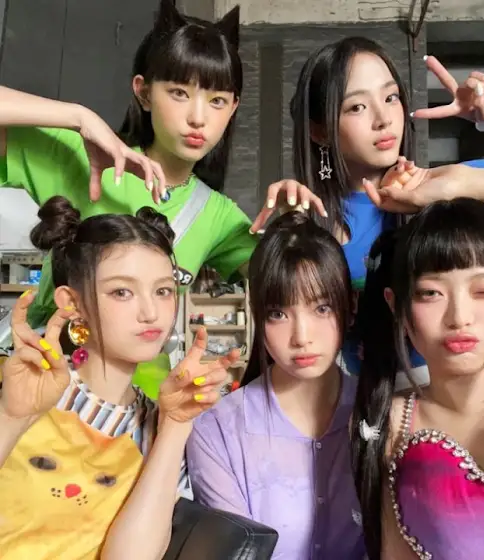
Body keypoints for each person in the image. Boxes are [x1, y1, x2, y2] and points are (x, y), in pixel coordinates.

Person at [251, 38, 484, 377]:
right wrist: (287, 228)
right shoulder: (316, 224)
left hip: (471, 391)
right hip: (369, 402)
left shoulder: (446, 187)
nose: (383, 119)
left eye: (391, 97)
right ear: (319, 131)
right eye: (357, 107)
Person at [0, 0, 254, 397]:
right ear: (144, 92)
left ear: (233, 107)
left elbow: (299, 285)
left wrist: (294, 219)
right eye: (179, 92)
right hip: (43, 386)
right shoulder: (81, 156)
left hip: (141, 405)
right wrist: (79, 117)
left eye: (217, 100)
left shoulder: (220, 217)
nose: (198, 117)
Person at [0, 196, 235, 559]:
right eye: (122, 291)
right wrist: (11, 417)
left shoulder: (163, 425)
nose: (151, 312)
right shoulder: (27, 390)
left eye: (163, 291)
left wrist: (175, 427)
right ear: (71, 302)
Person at [351, 197, 484, 559]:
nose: (460, 317)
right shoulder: (385, 424)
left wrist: (465, 181)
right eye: (431, 293)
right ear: (395, 305)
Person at [187, 212, 366, 560]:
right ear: (257, 315)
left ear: (350, 306)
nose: (301, 337)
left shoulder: (382, 415)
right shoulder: (217, 430)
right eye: (278, 314)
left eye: (322, 308)